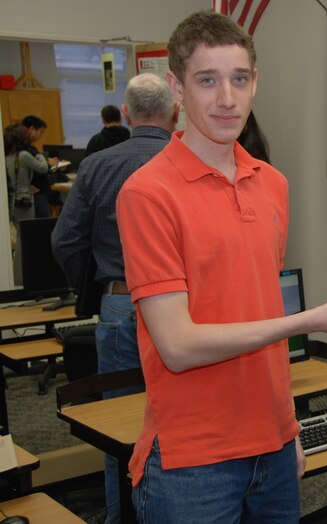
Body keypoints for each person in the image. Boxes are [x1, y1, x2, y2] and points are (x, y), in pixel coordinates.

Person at [114, 11, 327, 523]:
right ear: (176, 87)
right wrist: (312, 320)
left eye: (238, 79)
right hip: (195, 460)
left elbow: (259, 311)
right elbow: (179, 345)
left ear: (255, 82)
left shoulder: (272, 184)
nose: (226, 98)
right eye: (206, 80)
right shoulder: (147, 193)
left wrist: (289, 426)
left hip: (274, 445)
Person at [51, 72, 179, 524]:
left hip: (120, 303)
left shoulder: (97, 165)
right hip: (187, 308)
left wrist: (93, 287)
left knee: (117, 426)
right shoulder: (190, 162)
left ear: (126, 113)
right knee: (186, 420)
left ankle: (117, 515)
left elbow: (64, 241)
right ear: (176, 111)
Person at [4, 123, 49, 285]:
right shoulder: (23, 155)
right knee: (24, 242)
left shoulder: (7, 156)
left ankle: (16, 277)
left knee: (18, 240)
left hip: (11, 203)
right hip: (25, 203)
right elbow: (43, 168)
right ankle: (20, 279)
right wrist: (39, 154)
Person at [21, 115, 58, 218]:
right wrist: (47, 163)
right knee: (41, 224)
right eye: (40, 132)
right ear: (32, 129)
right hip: (37, 192)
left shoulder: (28, 147)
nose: (40, 135)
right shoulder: (25, 149)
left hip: (37, 191)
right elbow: (39, 169)